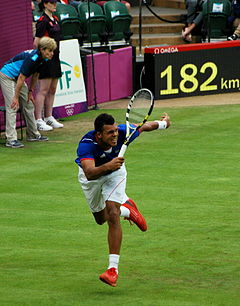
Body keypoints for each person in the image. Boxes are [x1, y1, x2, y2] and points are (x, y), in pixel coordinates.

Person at [75, 112, 170, 287]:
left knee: (112, 214)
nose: (115, 135)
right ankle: (128, 210)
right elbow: (89, 173)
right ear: (99, 135)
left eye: (115, 131)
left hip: (116, 174)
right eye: (110, 132)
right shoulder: (86, 145)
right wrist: (107, 165)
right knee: (100, 219)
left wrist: (164, 124)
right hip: (93, 177)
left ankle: (113, 270)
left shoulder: (123, 132)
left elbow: (144, 126)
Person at [0, 37, 57, 148]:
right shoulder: (33, 58)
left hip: (17, 78)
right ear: (42, 49)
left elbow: (35, 75)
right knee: (12, 106)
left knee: (29, 104)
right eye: (49, 51)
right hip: (7, 75)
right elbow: (22, 77)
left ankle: (33, 134)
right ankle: (11, 139)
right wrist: (16, 97)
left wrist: (30, 92)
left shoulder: (43, 59)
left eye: (52, 51)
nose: (52, 53)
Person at [33, 0, 64, 131]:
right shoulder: (43, 21)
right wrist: (44, 56)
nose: (54, 5)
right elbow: (36, 43)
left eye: (55, 2)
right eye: (51, 2)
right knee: (43, 90)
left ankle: (49, 117)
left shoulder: (55, 19)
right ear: (45, 4)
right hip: (46, 60)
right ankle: (38, 119)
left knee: (52, 89)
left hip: (56, 58)